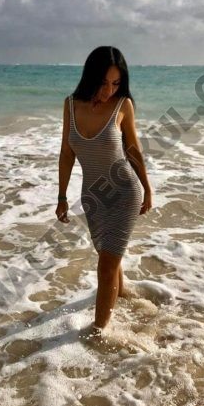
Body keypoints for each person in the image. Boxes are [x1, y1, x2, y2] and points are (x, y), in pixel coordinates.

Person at [56, 46, 153, 337]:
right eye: (103, 82)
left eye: (116, 83)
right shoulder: (71, 105)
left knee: (106, 265)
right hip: (94, 197)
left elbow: (133, 149)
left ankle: (98, 333)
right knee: (108, 256)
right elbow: (66, 154)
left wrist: (147, 188)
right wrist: (61, 197)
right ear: (90, 77)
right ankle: (121, 294)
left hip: (124, 193)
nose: (109, 90)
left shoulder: (123, 105)